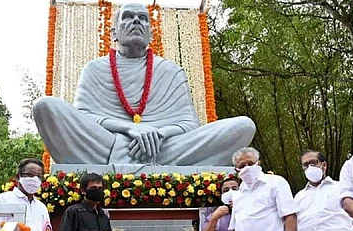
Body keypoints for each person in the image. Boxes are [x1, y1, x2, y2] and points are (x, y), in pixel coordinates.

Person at [33, 2, 255, 166]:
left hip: (164, 147)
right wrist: (130, 128)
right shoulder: (95, 68)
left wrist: (157, 134)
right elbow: (86, 116)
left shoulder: (170, 70)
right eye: (128, 17)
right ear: (114, 33)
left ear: (151, 33)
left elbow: (189, 124)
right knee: (45, 107)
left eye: (143, 18)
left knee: (244, 126)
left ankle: (143, 156)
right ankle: (138, 157)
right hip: (107, 142)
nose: (136, 21)